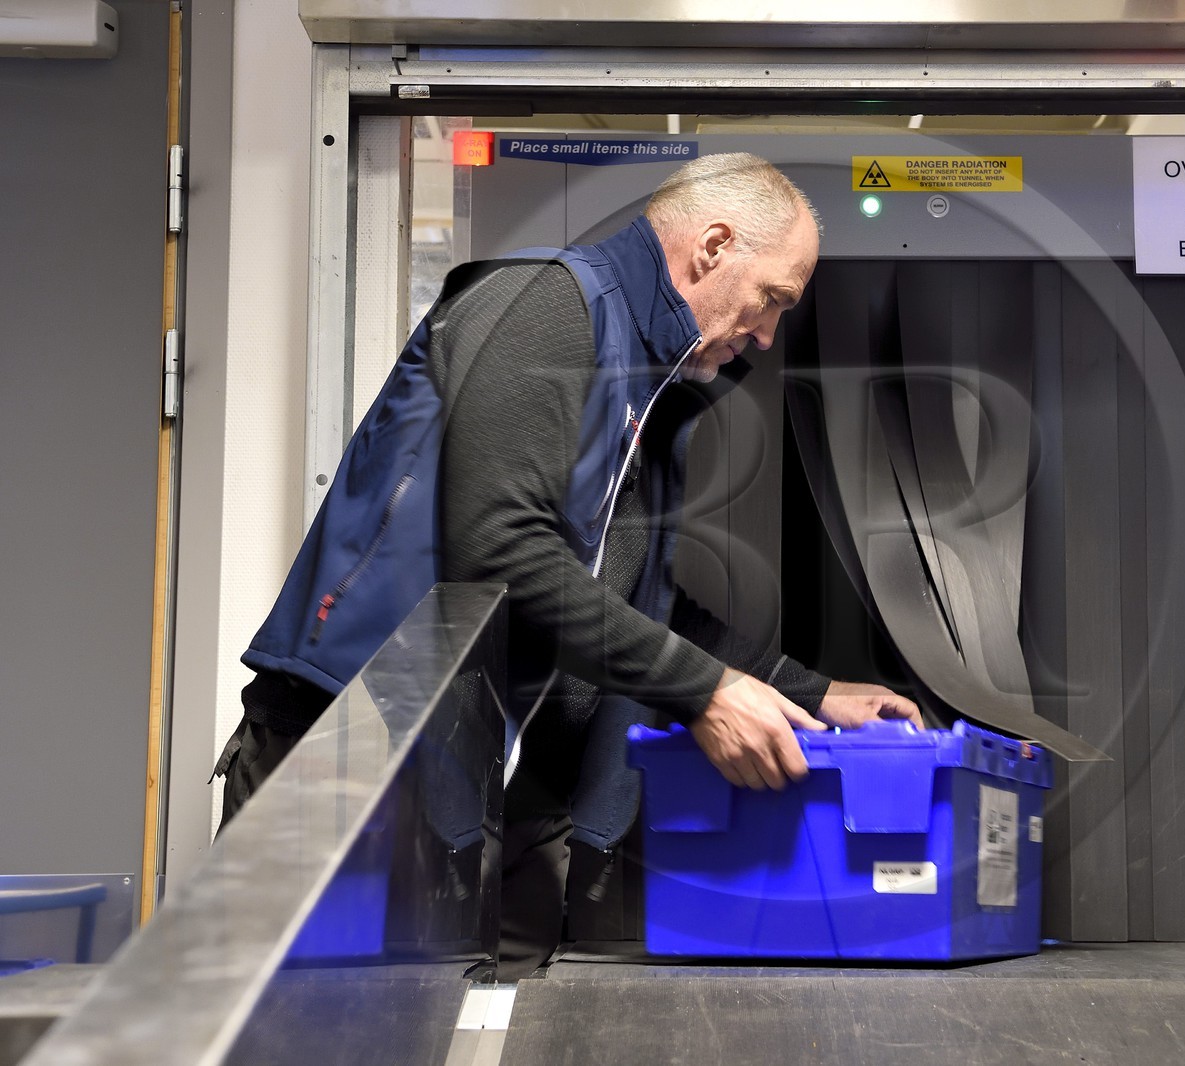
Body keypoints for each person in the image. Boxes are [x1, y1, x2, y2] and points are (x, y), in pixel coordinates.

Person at [215, 152, 921, 976]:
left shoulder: (645, 383)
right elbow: (502, 552)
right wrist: (703, 692)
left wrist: (816, 694)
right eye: (772, 300)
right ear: (714, 246)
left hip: (446, 771)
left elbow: (634, 596)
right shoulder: (549, 306)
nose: (767, 335)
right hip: (343, 757)